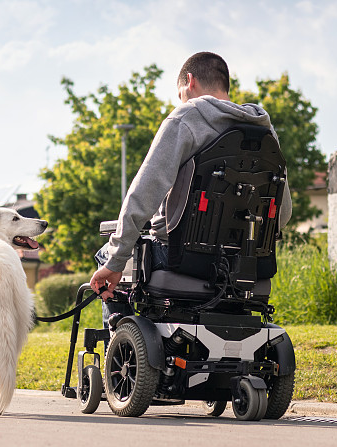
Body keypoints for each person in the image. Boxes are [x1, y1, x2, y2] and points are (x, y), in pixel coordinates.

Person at [90, 52, 292, 318]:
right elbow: (283, 212)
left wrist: (117, 259)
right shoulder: (265, 131)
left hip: (180, 257)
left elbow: (144, 194)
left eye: (180, 94)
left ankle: (121, 341)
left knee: (107, 253)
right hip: (249, 261)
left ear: (189, 81)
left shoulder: (186, 117)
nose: (181, 100)